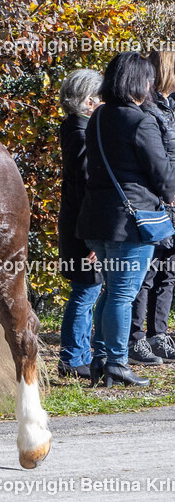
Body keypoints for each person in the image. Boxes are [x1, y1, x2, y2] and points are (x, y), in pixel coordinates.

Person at [77, 52, 175, 388]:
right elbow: (161, 173)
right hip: (132, 220)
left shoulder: (99, 116)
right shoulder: (140, 120)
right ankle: (117, 363)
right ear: (139, 81)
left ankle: (101, 360)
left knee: (110, 291)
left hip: (98, 219)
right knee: (122, 294)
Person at [128, 48, 175, 365]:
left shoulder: (169, 107)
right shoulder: (150, 110)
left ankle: (159, 334)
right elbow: (158, 161)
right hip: (159, 200)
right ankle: (136, 339)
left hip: (170, 198)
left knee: (168, 272)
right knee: (147, 272)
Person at [57, 69, 103, 379]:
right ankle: (72, 358)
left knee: (87, 291)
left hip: (76, 226)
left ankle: (79, 354)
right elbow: (86, 187)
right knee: (85, 292)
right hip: (82, 229)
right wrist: (92, 239)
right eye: (100, 98)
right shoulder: (82, 133)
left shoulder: (75, 128)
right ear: (88, 101)